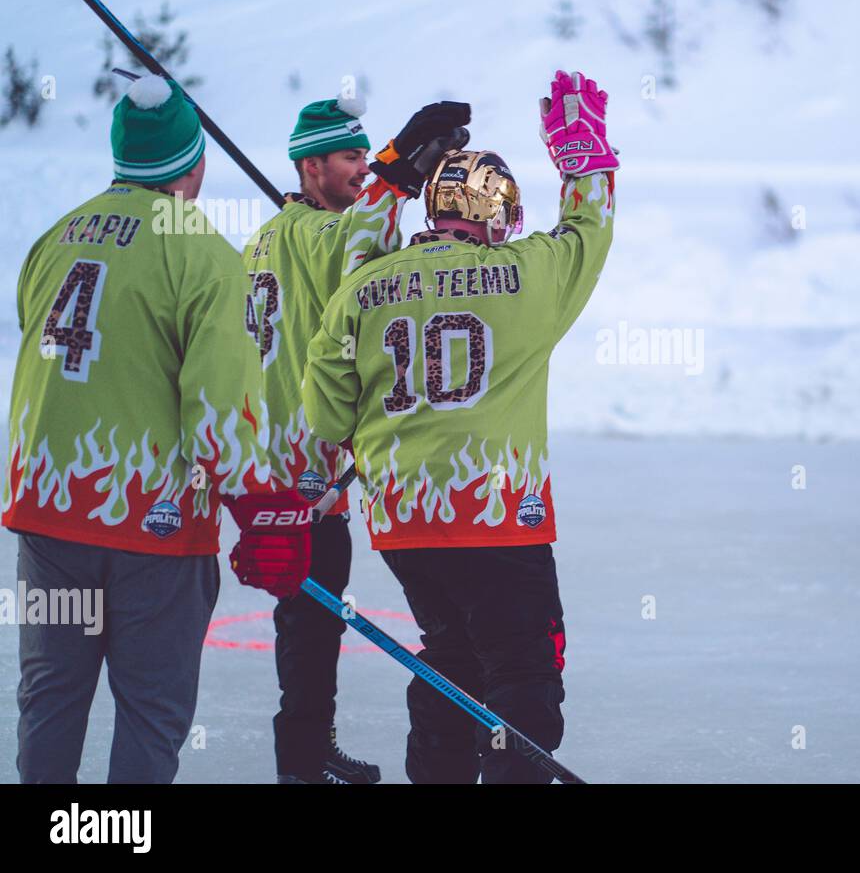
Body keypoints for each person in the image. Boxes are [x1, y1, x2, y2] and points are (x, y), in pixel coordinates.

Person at [300, 70, 617, 783]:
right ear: (497, 213)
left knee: (451, 658)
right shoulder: (529, 275)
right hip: (499, 519)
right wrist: (581, 151)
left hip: (404, 524)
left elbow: (324, 413)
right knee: (523, 676)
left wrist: (389, 177)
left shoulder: (365, 284)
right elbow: (587, 227)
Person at [3, 75, 269, 782]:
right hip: (154, 526)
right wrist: (260, 512)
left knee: (51, 700)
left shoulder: (56, 237)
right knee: (151, 710)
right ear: (195, 164)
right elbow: (216, 414)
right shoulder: (206, 256)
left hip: (50, 513)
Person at [240, 94, 471, 783]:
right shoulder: (314, 237)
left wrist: (391, 178)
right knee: (310, 625)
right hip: (306, 464)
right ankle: (302, 762)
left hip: (289, 453)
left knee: (308, 619)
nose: (359, 170)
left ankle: (309, 749)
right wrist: (400, 169)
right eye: (350, 159)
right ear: (310, 167)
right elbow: (359, 249)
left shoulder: (271, 236)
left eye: (366, 158)